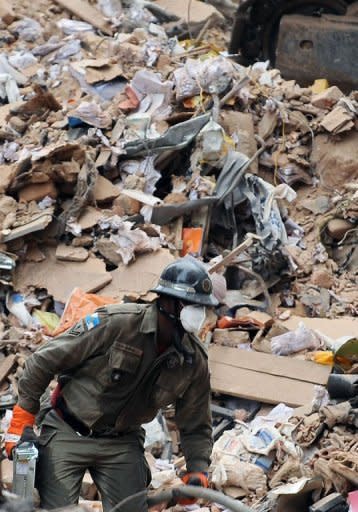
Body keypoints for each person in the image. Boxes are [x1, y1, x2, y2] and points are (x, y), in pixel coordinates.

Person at [5, 257, 218, 512]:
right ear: (167, 302)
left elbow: (195, 422)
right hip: (69, 430)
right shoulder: (117, 323)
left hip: (122, 442)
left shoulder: (193, 360)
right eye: (191, 304)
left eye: (201, 307)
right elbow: (43, 361)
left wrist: (197, 469)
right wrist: (23, 417)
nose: (198, 313)